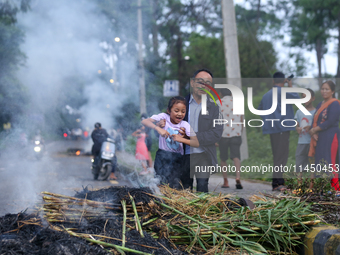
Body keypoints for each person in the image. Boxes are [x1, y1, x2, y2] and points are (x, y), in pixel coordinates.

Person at [142, 96, 199, 189]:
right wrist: (158, 128)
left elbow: (196, 143)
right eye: (176, 111)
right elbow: (144, 121)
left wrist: (181, 139)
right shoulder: (163, 117)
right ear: (169, 110)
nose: (180, 114)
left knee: (174, 184)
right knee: (159, 182)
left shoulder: (185, 124)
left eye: (183, 111)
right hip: (162, 156)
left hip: (178, 159)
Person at [181, 69, 223, 193]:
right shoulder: (180, 105)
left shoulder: (215, 108)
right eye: (200, 82)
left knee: (202, 189)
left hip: (204, 154)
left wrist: (191, 136)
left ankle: (201, 213)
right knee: (184, 190)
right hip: (183, 154)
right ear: (192, 83)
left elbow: (216, 133)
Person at [258, 72, 300, 191]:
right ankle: (278, 183)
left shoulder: (266, 95)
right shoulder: (284, 92)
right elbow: (297, 99)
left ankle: (275, 183)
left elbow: (260, 110)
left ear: (273, 81)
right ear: (284, 81)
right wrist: (290, 86)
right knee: (281, 156)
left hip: (272, 129)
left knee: (277, 155)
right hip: (282, 128)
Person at [309, 81, 340, 193]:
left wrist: (315, 130)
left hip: (331, 136)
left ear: (332, 91)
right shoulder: (320, 104)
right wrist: (314, 133)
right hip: (320, 137)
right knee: (321, 162)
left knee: (331, 162)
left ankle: (336, 189)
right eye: (322, 89)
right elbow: (315, 120)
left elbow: (331, 121)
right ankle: (323, 189)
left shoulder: (335, 103)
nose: (324, 91)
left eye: (327, 89)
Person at [218, 88, 243, 189]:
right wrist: (241, 131)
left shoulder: (217, 103)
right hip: (236, 133)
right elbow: (241, 119)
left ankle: (226, 181)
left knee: (223, 158)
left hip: (223, 134)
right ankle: (238, 177)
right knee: (236, 156)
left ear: (220, 94)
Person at [294, 89, 316, 188]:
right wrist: (297, 128)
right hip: (301, 142)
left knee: (312, 164)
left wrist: (311, 127)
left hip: (312, 142)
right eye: (303, 97)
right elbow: (296, 124)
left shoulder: (316, 112)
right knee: (299, 163)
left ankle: (311, 187)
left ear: (313, 98)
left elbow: (318, 126)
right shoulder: (299, 112)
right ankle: (299, 186)